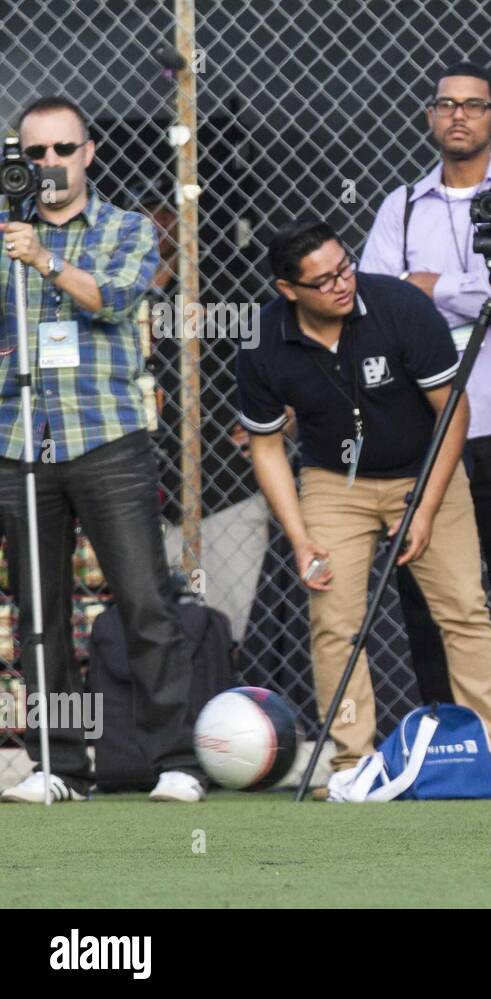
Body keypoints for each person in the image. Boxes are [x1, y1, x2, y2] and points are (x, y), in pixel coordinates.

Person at [235, 218, 491, 798]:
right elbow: (266, 448)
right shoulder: (262, 340)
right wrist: (300, 537)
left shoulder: (399, 305)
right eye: (323, 279)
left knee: (464, 610)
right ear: (288, 290)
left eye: (345, 266)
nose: (342, 283)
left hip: (425, 469)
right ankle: (351, 764)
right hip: (335, 483)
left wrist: (427, 509)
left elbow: (454, 412)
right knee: (334, 622)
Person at [359, 62, 491, 779]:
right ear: (430, 115)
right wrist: (457, 292)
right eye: (446, 105)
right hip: (429, 429)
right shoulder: (402, 206)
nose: (458, 117)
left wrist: (434, 286)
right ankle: (453, 750)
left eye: (474, 106)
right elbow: (381, 300)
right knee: (437, 592)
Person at [0, 95, 205, 804]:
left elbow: (116, 298)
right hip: (20, 439)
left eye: (63, 149)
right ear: (19, 160)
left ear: (88, 153)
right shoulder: (2, 233)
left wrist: (42, 258)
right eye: (35, 153)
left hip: (107, 437)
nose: (50, 163)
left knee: (145, 599)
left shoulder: (125, 227)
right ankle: (59, 767)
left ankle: (175, 761)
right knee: (40, 613)